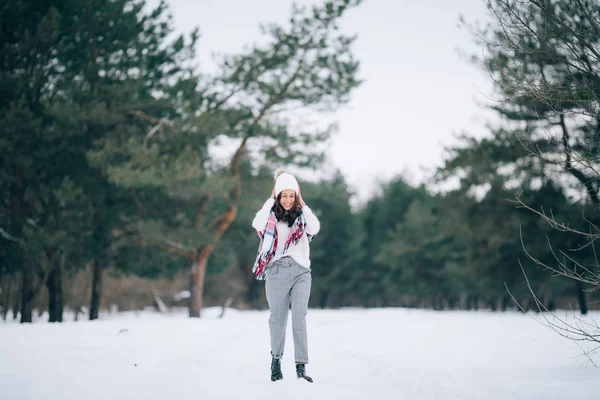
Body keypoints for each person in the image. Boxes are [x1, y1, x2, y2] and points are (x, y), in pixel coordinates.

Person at [251, 169, 321, 383]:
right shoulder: (270, 216)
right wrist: (271, 199)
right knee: (277, 320)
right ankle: (276, 361)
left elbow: (316, 227)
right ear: (278, 195)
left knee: (299, 318)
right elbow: (257, 223)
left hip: (301, 271)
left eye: (292, 195)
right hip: (277, 271)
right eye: (285, 195)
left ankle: (301, 368)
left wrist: (302, 201)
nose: (288, 200)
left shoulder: (302, 217)